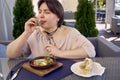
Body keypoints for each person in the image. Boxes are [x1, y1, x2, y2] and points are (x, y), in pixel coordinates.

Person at [6, 0, 96, 59]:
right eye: (40, 11)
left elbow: (91, 51)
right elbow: (10, 54)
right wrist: (26, 33)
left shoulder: (70, 33)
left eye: (47, 12)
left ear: (58, 17)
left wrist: (59, 53)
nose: (41, 15)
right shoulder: (34, 34)